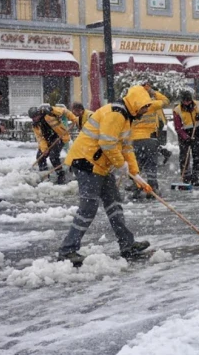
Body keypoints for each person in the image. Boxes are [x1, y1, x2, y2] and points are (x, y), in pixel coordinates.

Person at [58, 85, 154, 266]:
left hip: (100, 166)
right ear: (135, 104)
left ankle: (127, 244)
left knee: (114, 204)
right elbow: (107, 143)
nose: (144, 111)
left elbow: (126, 147)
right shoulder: (116, 114)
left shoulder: (127, 118)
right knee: (88, 208)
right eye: (143, 107)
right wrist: (121, 165)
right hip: (86, 162)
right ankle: (67, 250)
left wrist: (135, 173)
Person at [131, 83, 169, 198]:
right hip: (150, 140)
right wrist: (152, 91)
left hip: (134, 141)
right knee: (151, 166)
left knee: (136, 167)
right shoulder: (151, 105)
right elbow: (166, 100)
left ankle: (137, 189)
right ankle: (152, 189)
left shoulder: (132, 107)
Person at [29, 105, 70, 184]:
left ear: (38, 114)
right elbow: (40, 138)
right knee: (40, 156)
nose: (34, 119)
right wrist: (44, 149)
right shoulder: (35, 125)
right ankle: (44, 174)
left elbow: (62, 111)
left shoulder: (49, 115)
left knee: (53, 156)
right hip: (47, 140)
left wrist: (74, 119)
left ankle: (61, 174)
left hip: (59, 137)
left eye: (35, 117)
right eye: (32, 118)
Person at [173, 91, 199, 187]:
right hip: (184, 137)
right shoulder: (177, 110)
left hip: (198, 134)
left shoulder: (198, 105)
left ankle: (195, 177)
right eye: (185, 101)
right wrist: (186, 137)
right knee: (184, 157)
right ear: (182, 101)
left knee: (198, 157)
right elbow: (178, 127)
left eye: (188, 100)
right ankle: (186, 177)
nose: (187, 103)